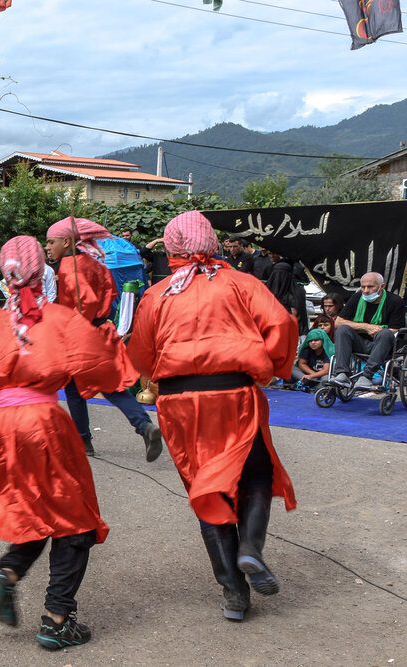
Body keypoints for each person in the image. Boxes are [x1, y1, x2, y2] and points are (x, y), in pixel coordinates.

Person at [0, 236, 122, 651]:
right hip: (44, 422)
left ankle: (7, 573)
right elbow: (100, 369)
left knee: (35, 508)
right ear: (41, 268)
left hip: (5, 424)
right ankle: (56, 619)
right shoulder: (60, 318)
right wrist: (109, 342)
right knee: (75, 518)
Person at [127, 211, 298, 622]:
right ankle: (251, 550)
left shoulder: (159, 293)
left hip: (178, 402)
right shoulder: (242, 283)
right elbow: (282, 322)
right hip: (234, 393)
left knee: (206, 489)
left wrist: (154, 377)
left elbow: (140, 353)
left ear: (170, 250)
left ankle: (234, 596)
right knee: (255, 471)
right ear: (213, 242)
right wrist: (273, 367)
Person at [45, 218, 162, 461]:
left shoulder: (69, 267)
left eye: (51, 242)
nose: (47, 247)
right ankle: (144, 425)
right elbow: (112, 292)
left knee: (75, 388)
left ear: (66, 242)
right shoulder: (93, 262)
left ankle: (83, 439)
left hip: (82, 335)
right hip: (101, 332)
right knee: (109, 386)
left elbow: (83, 304)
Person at [329, 272, 404, 391]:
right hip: (360, 343)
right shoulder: (357, 297)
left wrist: (377, 330)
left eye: (370, 287)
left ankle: (367, 376)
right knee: (343, 330)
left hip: (383, 346)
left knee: (385, 333)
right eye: (363, 287)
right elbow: (338, 322)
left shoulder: (395, 301)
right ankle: (342, 374)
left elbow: (394, 330)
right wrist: (365, 327)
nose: (366, 290)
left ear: (382, 286)